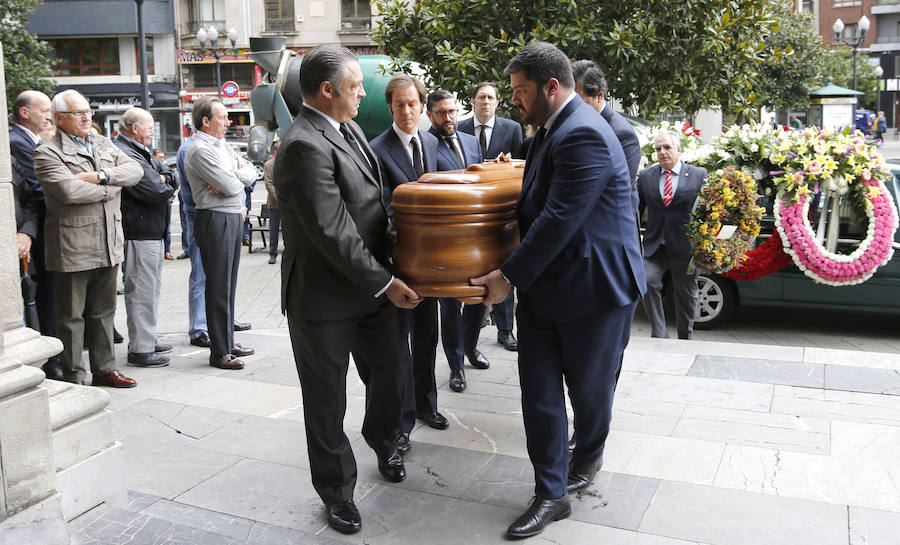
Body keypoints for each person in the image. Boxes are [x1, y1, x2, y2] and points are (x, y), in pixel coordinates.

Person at [471, 42, 646, 539]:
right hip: (547, 290)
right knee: (540, 395)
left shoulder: (584, 133)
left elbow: (559, 219)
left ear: (552, 87)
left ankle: (587, 455)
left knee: (590, 395)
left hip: (595, 292)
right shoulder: (549, 130)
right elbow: (534, 199)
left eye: (522, 92)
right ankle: (551, 492)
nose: (515, 102)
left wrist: (506, 276)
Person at [273, 44, 420, 535]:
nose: (363, 93)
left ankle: (383, 440)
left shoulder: (351, 128)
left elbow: (375, 209)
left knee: (390, 375)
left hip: (372, 288)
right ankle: (337, 493)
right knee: (326, 400)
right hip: (323, 299)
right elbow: (332, 231)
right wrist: (386, 281)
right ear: (327, 89)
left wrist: (403, 256)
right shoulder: (301, 145)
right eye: (356, 85)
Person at [34, 89, 143, 387]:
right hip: (72, 247)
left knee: (104, 312)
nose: (86, 117)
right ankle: (75, 374)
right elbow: (69, 192)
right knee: (70, 318)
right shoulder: (47, 152)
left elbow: (134, 171)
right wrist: (113, 188)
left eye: (88, 112)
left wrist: (101, 177)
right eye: (77, 113)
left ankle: (105, 368)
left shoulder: (102, 142)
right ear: (58, 119)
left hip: (109, 242)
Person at [371, 75, 444, 455]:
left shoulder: (430, 141)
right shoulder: (377, 150)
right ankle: (402, 421)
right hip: (399, 263)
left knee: (428, 338)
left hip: (432, 264)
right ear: (391, 107)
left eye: (413, 104)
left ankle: (428, 404)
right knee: (400, 346)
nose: (407, 111)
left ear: (422, 105)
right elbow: (381, 209)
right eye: (399, 105)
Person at [184, 97, 258, 370]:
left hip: (230, 216)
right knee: (218, 286)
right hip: (215, 218)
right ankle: (219, 351)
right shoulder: (200, 149)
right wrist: (232, 176)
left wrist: (233, 175)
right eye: (224, 117)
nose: (229, 122)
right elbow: (231, 184)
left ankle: (226, 340)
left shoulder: (222, 146)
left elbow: (251, 174)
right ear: (206, 121)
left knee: (228, 284)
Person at [426, 89, 491, 392]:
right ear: (430, 115)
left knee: (479, 297)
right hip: (446, 241)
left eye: (452, 112)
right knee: (450, 306)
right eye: (442, 113)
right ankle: (455, 366)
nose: (449, 118)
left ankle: (470, 347)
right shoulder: (425, 145)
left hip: (476, 237)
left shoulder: (470, 141)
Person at [458, 81, 523, 352]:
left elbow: (520, 167)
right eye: (481, 97)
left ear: (497, 103)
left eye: (491, 98)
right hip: (470, 212)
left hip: (501, 210)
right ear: (472, 101)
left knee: (503, 266)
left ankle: (506, 330)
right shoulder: (460, 128)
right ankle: (473, 330)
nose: (486, 101)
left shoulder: (512, 128)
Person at [115, 108, 178, 367]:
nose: (153, 130)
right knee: (141, 290)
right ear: (134, 128)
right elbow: (153, 188)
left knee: (150, 289)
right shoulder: (125, 151)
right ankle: (141, 349)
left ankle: (146, 340)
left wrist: (163, 179)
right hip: (139, 230)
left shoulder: (139, 150)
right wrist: (161, 180)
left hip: (150, 229)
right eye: (149, 126)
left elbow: (169, 177)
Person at [9, 90, 63, 380]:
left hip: (36, 232)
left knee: (48, 297)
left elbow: (32, 196)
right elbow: (40, 190)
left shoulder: (34, 142)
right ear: (24, 113)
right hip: (36, 236)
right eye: (43, 110)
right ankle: (50, 361)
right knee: (42, 298)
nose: (48, 116)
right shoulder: (17, 143)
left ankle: (53, 356)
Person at [638, 130, 708, 340]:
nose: (662, 152)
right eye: (658, 149)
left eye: (667, 147)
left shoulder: (698, 175)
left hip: (685, 246)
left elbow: (708, 211)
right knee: (647, 281)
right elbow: (635, 210)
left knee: (686, 297)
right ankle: (659, 334)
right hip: (655, 245)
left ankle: (685, 337)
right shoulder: (646, 176)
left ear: (679, 149)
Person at [153, 148, 177, 261]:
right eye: (159, 158)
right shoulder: (153, 169)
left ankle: (167, 250)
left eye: (163, 157)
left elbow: (175, 182)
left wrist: (171, 198)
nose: (162, 160)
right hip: (158, 203)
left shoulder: (165, 168)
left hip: (167, 201)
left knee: (167, 227)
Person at [263, 141, 281, 264]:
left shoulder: (290, 164)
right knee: (273, 230)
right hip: (274, 204)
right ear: (275, 151)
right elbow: (268, 184)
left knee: (289, 231)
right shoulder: (268, 165)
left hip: (288, 204)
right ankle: (272, 254)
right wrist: (280, 198)